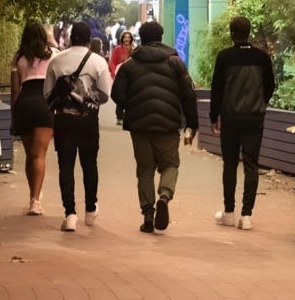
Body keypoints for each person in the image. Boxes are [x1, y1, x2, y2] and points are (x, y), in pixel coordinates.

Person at [111, 21, 199, 234]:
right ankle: (164, 196)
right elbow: (188, 94)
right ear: (161, 37)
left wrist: (127, 106)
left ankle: (148, 215)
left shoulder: (130, 64)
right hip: (168, 124)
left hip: (140, 126)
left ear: (141, 37)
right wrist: (192, 123)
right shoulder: (175, 62)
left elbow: (117, 95)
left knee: (144, 170)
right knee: (170, 164)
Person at [43, 21, 111, 232]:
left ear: (71, 37)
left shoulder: (57, 60)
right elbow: (105, 95)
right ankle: (90, 209)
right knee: (90, 165)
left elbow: (47, 95)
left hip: (63, 121)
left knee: (66, 166)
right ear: (89, 39)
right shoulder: (98, 62)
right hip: (88, 122)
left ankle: (70, 213)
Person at [210, 16, 276, 230]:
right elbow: (270, 86)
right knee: (251, 164)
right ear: (249, 32)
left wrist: (214, 117)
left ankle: (229, 212)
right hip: (254, 118)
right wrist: (260, 103)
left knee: (229, 164)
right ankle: (246, 216)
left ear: (231, 33)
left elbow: (217, 89)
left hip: (230, 118)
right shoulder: (262, 58)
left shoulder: (224, 57)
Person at [10, 20, 58, 215]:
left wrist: (15, 116)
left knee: (30, 156)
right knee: (40, 155)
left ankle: (33, 196)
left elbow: (14, 90)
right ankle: (35, 201)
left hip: (25, 104)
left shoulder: (18, 58)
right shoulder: (54, 55)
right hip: (44, 104)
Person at [108, 31, 135, 125]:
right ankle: (119, 116)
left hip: (131, 76)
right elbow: (112, 61)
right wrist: (113, 72)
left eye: (128, 37)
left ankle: (127, 116)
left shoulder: (134, 49)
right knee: (120, 95)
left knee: (130, 96)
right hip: (120, 76)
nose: (126, 39)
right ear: (122, 39)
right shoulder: (117, 49)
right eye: (125, 37)